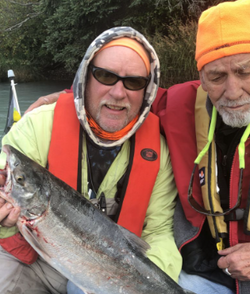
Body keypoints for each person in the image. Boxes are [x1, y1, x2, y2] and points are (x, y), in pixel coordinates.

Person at [0, 26, 181, 294]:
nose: (118, 93)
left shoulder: (159, 151)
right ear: (86, 76)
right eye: (105, 76)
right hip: (33, 260)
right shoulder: (36, 126)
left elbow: (159, 232)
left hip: (115, 271)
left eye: (133, 82)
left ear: (147, 90)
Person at [153, 0, 250, 293]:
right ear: (202, 80)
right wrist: (68, 97)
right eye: (217, 76)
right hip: (204, 274)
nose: (232, 91)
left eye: (245, 72)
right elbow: (125, 98)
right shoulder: (178, 105)